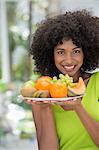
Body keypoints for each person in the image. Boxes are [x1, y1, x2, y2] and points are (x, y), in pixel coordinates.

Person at [28, 10, 99, 150]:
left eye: (76, 51)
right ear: (51, 54)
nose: (68, 60)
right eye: (61, 52)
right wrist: (45, 107)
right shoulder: (41, 93)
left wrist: (78, 108)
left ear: (86, 52)